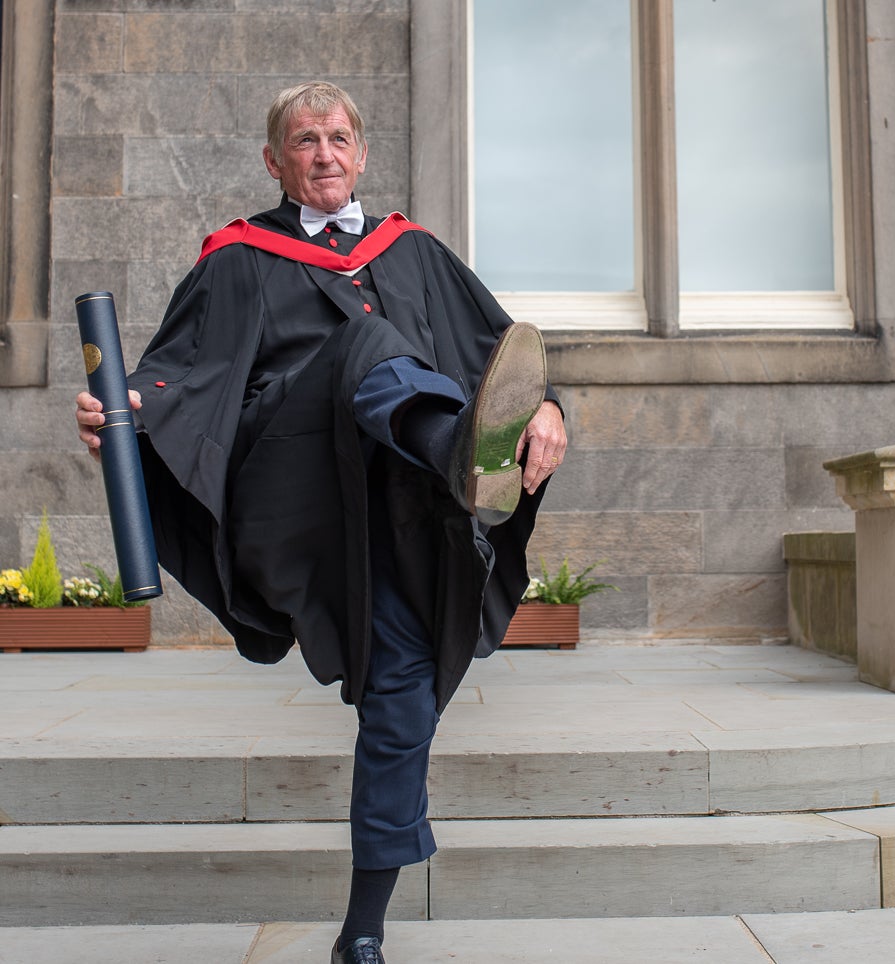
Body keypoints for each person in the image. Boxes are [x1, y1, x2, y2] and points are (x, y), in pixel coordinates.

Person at [74, 81, 567, 964]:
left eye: (339, 137)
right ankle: (457, 443)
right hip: (297, 485)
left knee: (403, 700)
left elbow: (503, 352)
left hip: (397, 511)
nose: (325, 153)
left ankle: (362, 933)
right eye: (305, 141)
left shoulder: (413, 252)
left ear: (363, 152)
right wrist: (119, 409)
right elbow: (175, 377)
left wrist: (549, 409)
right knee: (369, 345)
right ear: (276, 162)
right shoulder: (236, 258)